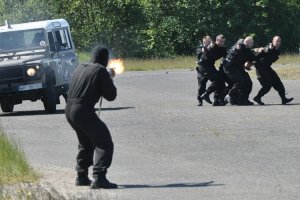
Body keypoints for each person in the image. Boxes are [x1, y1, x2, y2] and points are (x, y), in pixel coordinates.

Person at [65, 46, 118, 189]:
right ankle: (99, 177)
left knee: (86, 143)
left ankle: (81, 176)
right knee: (104, 143)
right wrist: (110, 78)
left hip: (69, 110)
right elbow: (111, 96)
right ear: (105, 59)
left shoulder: (80, 67)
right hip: (82, 110)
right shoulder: (100, 70)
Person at [253, 36, 294, 105]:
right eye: (276, 41)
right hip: (261, 69)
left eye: (279, 41)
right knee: (267, 85)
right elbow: (256, 56)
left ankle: (284, 99)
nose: (278, 42)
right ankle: (257, 97)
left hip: (267, 68)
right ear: (273, 41)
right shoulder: (267, 49)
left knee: (278, 82)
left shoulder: (277, 51)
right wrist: (249, 63)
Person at [223, 37, 258, 105]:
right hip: (229, 67)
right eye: (251, 43)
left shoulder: (247, 49)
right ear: (247, 43)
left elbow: (253, 57)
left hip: (238, 68)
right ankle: (229, 95)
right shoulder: (240, 46)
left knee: (248, 82)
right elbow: (238, 49)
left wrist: (257, 52)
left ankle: (243, 100)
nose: (252, 44)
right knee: (240, 80)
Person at [197, 34, 228, 106]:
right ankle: (204, 96)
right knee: (206, 83)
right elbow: (204, 52)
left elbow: (227, 56)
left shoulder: (222, 49)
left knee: (221, 81)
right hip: (203, 66)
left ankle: (216, 100)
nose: (222, 43)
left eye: (223, 42)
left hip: (210, 66)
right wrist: (208, 47)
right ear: (216, 40)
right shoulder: (212, 46)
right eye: (220, 41)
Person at [196, 35, 212, 106]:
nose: (208, 43)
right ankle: (200, 100)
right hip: (201, 69)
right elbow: (199, 53)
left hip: (210, 68)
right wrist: (204, 50)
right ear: (204, 42)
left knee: (217, 81)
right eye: (207, 42)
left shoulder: (211, 47)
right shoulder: (200, 47)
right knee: (201, 85)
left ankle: (217, 98)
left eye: (209, 42)